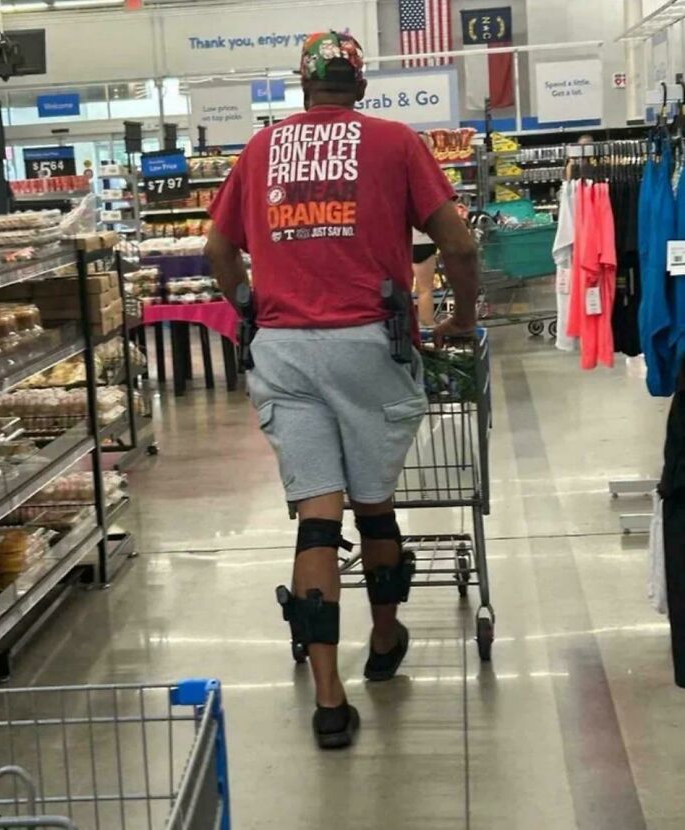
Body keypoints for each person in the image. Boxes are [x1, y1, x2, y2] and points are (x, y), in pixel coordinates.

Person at [206, 30, 478, 750]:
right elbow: (459, 242)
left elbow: (217, 249)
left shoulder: (261, 150)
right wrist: (465, 312)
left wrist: (245, 305)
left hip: (285, 351)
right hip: (368, 346)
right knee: (375, 506)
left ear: (303, 86)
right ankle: (384, 638)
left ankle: (329, 702)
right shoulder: (393, 142)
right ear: (360, 86)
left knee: (317, 522)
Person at [412, 132, 439, 327]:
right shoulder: (432, 174)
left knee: (400, 289)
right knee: (425, 289)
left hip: (401, 240)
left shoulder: (397, 171)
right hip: (424, 239)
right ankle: (428, 327)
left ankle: (404, 328)